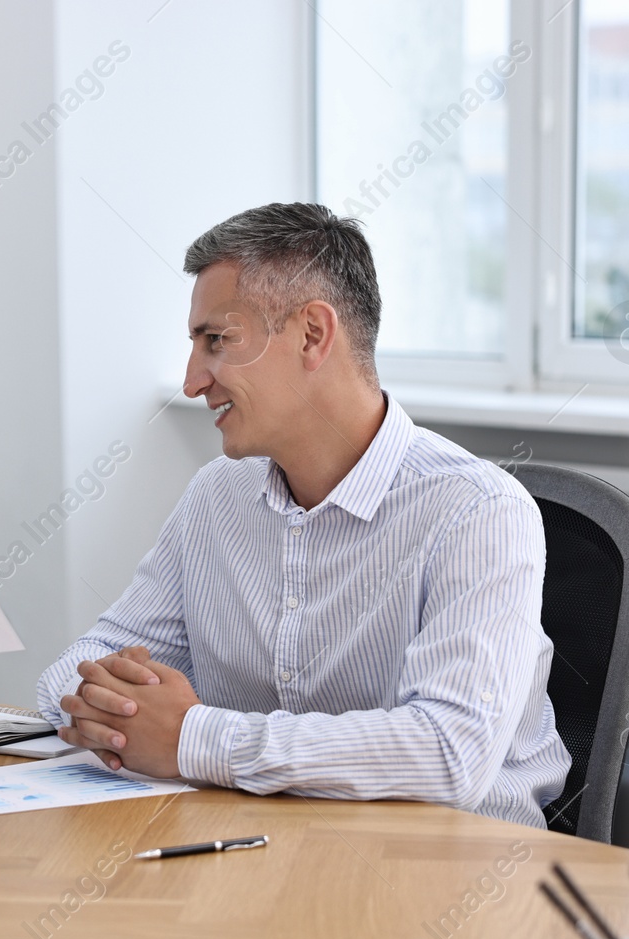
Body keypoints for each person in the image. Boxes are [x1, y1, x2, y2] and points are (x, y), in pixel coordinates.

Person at [37, 203, 570, 829]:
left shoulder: (479, 513)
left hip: (454, 870)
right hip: (266, 842)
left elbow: (450, 755)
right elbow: (85, 662)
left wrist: (192, 738)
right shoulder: (217, 497)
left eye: (217, 341)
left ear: (313, 335)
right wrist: (113, 712)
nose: (191, 381)